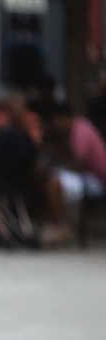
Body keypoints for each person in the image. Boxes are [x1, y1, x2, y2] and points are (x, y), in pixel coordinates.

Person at [43, 104, 106, 245]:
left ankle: (58, 225)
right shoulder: (79, 127)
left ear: (62, 118)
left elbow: (79, 164)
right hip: (89, 176)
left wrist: (62, 166)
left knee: (54, 183)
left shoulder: (80, 130)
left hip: (97, 180)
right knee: (57, 177)